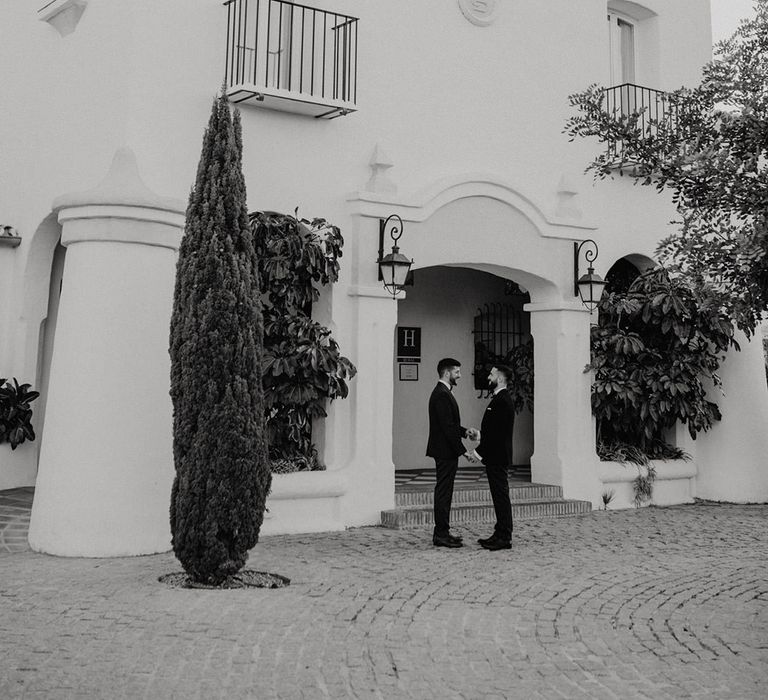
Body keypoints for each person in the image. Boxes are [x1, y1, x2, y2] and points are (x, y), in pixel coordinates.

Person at [426, 358, 479, 548]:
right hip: (445, 451)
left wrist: (465, 431)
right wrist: (463, 451)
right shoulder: (441, 394)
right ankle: (440, 534)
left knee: (445, 491)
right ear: (447, 373)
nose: (460, 375)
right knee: (443, 492)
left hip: (446, 450)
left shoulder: (443, 392)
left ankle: (443, 532)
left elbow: (450, 424)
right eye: (457, 372)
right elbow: (447, 427)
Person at [470, 365, 515, 551]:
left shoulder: (502, 400)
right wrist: (479, 435)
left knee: (501, 496)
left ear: (501, 379)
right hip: (495, 455)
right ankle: (499, 533)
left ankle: (504, 536)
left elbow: (498, 434)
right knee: (498, 496)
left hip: (497, 457)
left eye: (492, 374)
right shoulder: (499, 399)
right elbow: (493, 431)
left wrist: (477, 453)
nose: (489, 377)